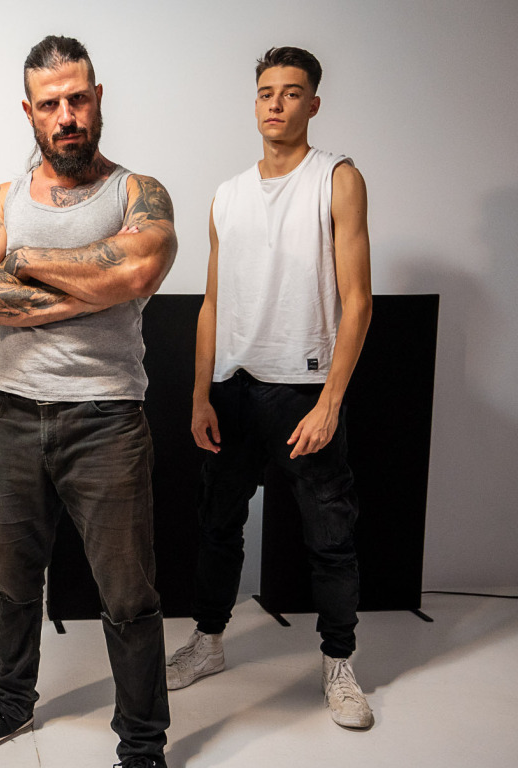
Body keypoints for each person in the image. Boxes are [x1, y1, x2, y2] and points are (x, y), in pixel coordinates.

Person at [0, 36, 176, 768]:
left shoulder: (138, 193)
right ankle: (12, 702)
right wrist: (89, 289)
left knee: (128, 595)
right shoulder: (4, 200)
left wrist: (24, 262)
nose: (66, 116)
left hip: (107, 419)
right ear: (29, 112)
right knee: (13, 584)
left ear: (97, 97)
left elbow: (140, 268)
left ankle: (142, 743)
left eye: (77, 99)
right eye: (50, 105)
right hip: (13, 416)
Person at [165, 46, 374, 730]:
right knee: (217, 526)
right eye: (265, 92)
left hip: (303, 390)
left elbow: (358, 299)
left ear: (313, 104)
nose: (276, 103)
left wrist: (330, 402)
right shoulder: (227, 195)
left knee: (330, 535)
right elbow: (212, 304)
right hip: (234, 388)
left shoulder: (336, 178)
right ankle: (209, 641)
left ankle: (339, 663)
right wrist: (200, 394)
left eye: (290, 92)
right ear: (254, 102)